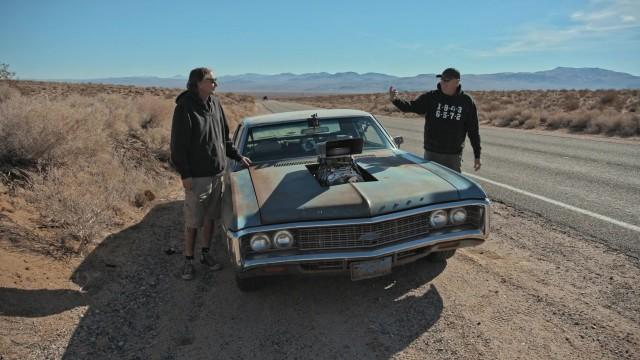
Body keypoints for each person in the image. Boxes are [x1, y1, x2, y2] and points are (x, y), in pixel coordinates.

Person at [170, 67, 252, 280]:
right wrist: (185, 175)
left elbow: (224, 137)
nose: (215, 84)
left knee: (211, 218)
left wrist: (237, 156)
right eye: (211, 80)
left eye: (215, 80)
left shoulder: (215, 103)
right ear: (197, 83)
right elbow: (178, 147)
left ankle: (205, 254)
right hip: (197, 176)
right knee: (193, 220)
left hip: (217, 172)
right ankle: (188, 260)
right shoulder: (185, 107)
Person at [389, 67, 481, 173]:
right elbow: (411, 106)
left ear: (456, 82)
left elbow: (473, 130)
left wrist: (477, 155)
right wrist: (395, 100)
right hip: (432, 153)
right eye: (442, 80)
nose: (442, 83)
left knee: (453, 185)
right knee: (431, 183)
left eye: (446, 81)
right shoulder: (431, 97)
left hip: (453, 155)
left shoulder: (466, 101)